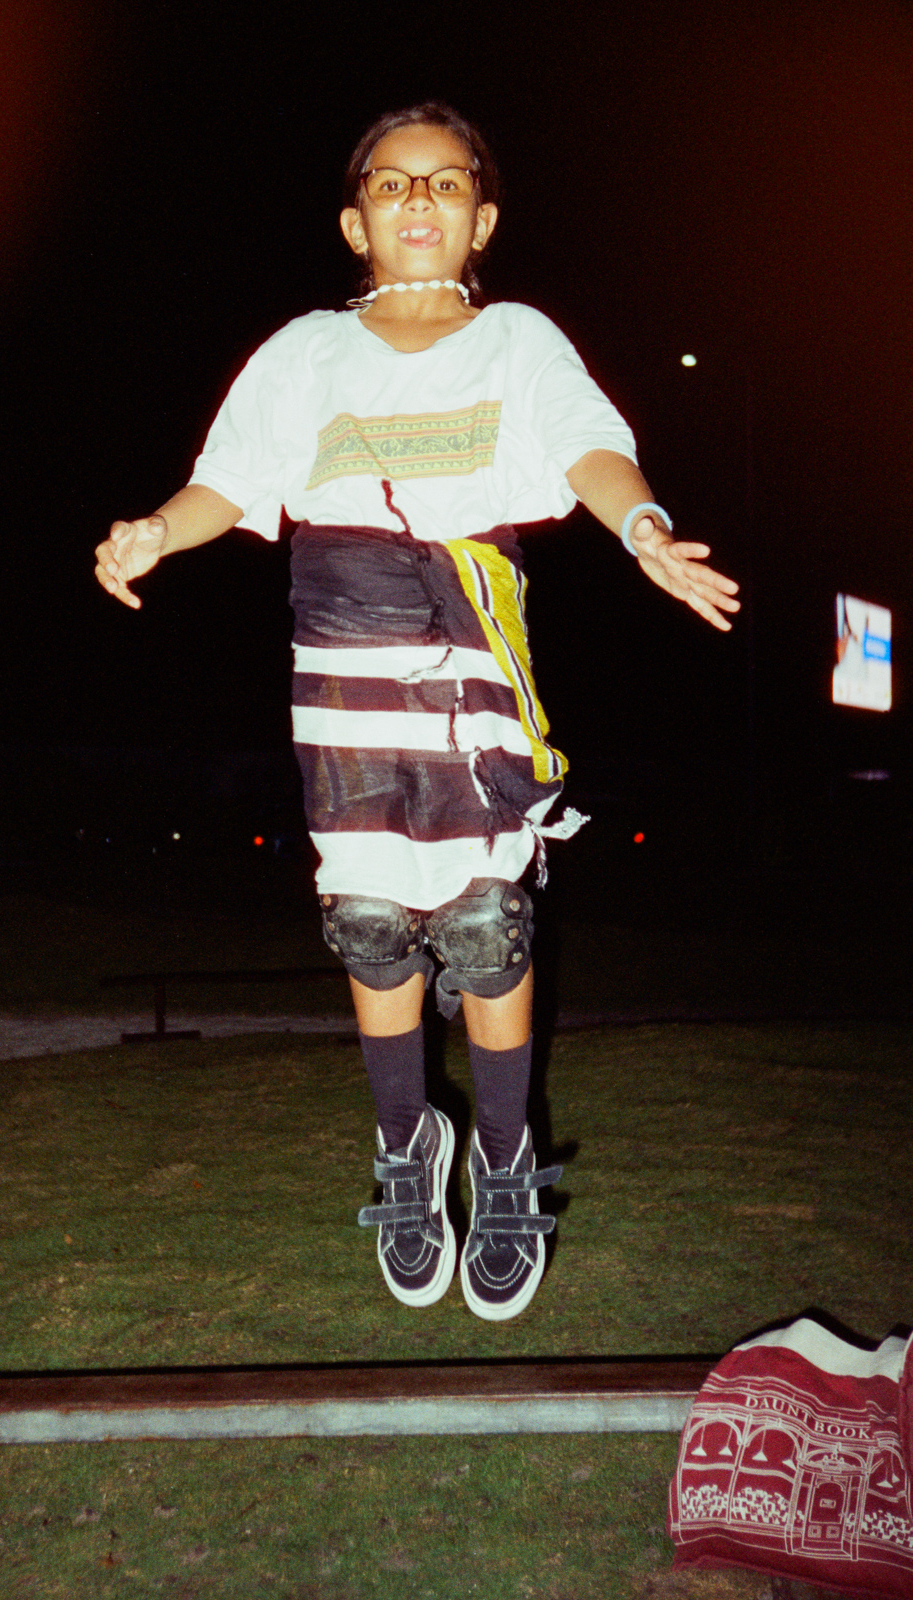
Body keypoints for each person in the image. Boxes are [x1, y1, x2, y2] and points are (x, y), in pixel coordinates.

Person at [94, 103, 740, 1322]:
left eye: (446, 184)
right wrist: (152, 532)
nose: (420, 202)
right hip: (339, 642)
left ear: (481, 217)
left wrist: (641, 526)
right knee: (373, 920)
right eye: (393, 186)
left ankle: (499, 1158)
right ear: (356, 221)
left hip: (466, 642)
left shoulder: (515, 338)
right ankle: (407, 1146)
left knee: (488, 919)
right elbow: (228, 482)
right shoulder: (302, 353)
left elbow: (586, 447)